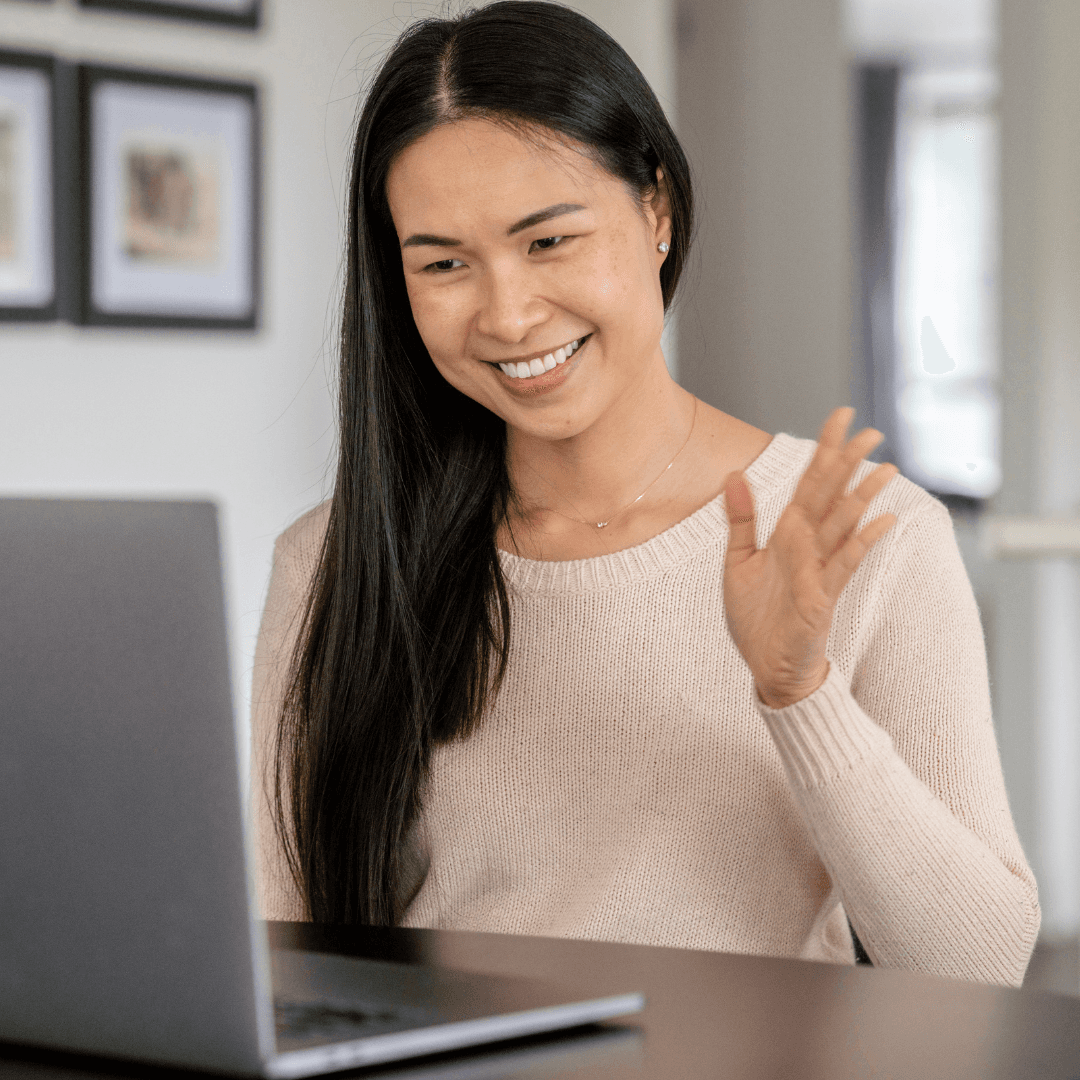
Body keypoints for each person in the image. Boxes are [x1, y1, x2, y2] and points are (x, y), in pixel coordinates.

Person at [251, 0, 1039, 988]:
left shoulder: (864, 537)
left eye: (548, 242)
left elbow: (979, 965)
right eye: (445, 263)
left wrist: (799, 692)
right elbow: (287, 955)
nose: (506, 313)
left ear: (655, 209)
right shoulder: (337, 561)